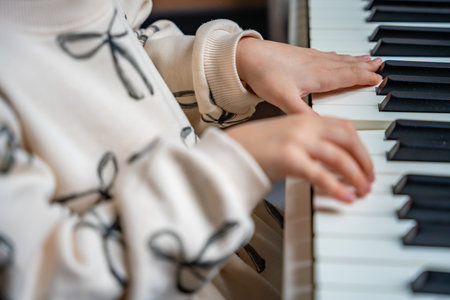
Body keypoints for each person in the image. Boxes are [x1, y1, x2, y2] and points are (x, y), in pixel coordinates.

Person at [0, 0, 381, 299]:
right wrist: (225, 170)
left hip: (250, 251)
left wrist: (231, 62)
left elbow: (117, 55)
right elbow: (45, 281)